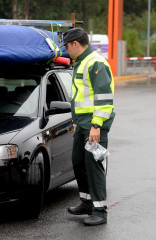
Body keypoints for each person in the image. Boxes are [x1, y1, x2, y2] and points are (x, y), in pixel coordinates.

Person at [61, 28, 115, 226]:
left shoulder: (96, 63)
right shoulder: (81, 63)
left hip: (94, 125)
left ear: (76, 43)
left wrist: (96, 125)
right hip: (82, 124)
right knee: (78, 162)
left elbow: (104, 98)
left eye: (66, 46)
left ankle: (100, 211)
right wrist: (77, 122)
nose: (65, 50)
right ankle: (87, 202)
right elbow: (81, 97)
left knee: (94, 167)